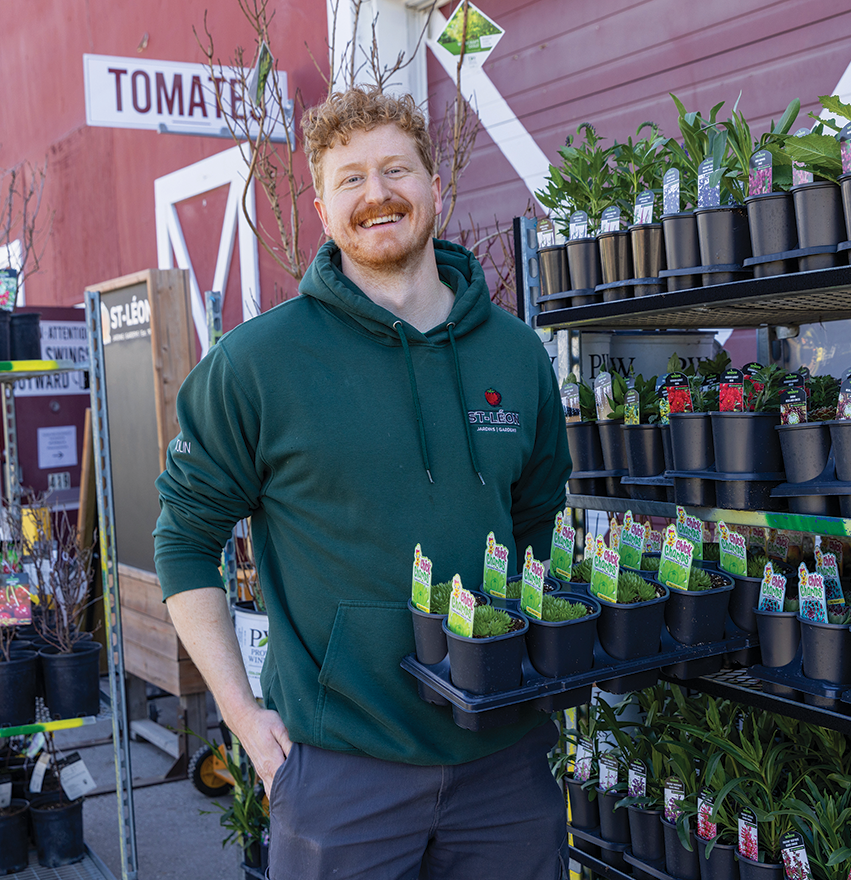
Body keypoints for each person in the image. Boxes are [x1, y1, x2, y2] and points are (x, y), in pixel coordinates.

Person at [153, 85, 571, 879]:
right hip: (343, 771)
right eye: (351, 178)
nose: (376, 194)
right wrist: (242, 717)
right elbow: (184, 540)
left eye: (396, 170)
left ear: (434, 190)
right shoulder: (258, 364)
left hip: (505, 769)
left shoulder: (517, 356)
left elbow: (537, 521)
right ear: (322, 207)